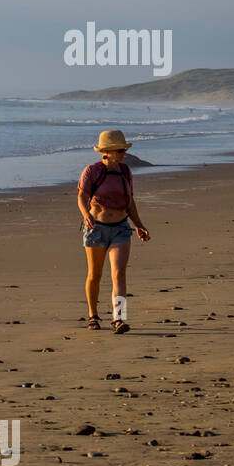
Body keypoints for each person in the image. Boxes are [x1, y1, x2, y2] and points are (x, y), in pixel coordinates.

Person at [77, 130, 151, 332]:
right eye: (120, 150)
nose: (123, 154)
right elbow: (82, 196)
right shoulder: (92, 171)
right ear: (107, 152)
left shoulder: (125, 171)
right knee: (95, 274)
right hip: (96, 229)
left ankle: (119, 318)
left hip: (120, 228)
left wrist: (139, 225)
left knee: (119, 273)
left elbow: (130, 201)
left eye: (123, 150)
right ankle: (93, 316)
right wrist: (86, 214)